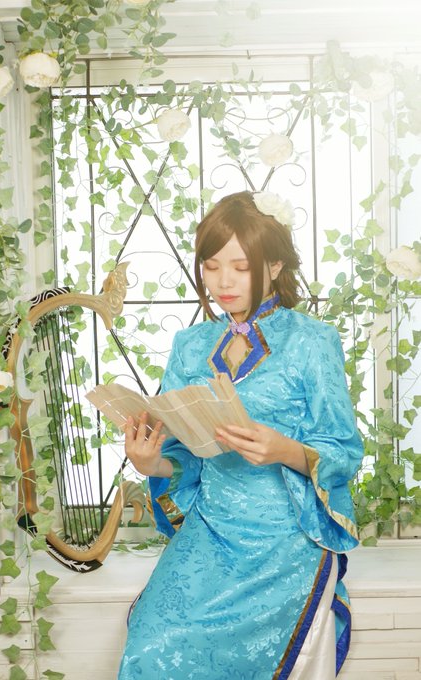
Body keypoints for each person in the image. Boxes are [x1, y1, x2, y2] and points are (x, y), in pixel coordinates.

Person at [117, 190, 363, 679]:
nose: (222, 281)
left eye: (240, 267)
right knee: (149, 650)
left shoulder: (312, 341)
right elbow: (185, 453)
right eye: (211, 266)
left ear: (274, 265)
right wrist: (152, 462)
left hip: (286, 538)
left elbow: (344, 450)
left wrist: (284, 450)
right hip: (208, 531)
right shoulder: (189, 346)